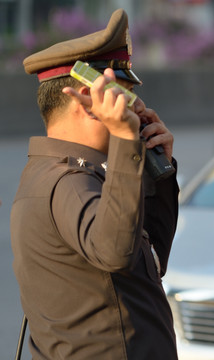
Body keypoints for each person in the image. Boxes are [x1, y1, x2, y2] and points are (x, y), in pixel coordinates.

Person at [11, 9, 179, 359]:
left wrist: (155, 172)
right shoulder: (68, 181)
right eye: (125, 98)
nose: (136, 111)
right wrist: (123, 138)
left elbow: (148, 262)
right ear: (88, 105)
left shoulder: (84, 173)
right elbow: (116, 254)